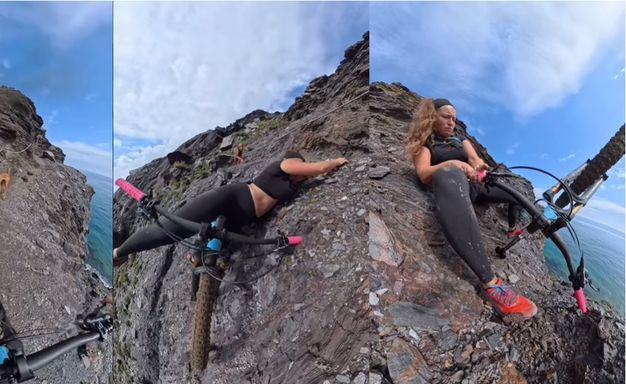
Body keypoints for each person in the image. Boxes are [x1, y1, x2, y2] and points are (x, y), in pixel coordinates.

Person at [405, 97, 537, 319]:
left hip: (475, 187)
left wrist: (477, 166)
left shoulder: (461, 142)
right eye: (446, 117)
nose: (451, 122)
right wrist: (454, 164)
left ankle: (512, 228)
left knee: (519, 196)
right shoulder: (426, 145)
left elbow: (474, 159)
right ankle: (492, 284)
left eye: (454, 119)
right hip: (452, 184)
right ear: (431, 117)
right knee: (448, 173)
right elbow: (424, 174)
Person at [113, 150, 348, 266]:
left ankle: (197, 255)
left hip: (243, 217)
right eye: (300, 164)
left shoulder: (293, 184)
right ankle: (118, 254)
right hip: (232, 198)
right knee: (171, 229)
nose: (300, 168)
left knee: (216, 253)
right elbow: (317, 169)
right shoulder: (285, 164)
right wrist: (336, 162)